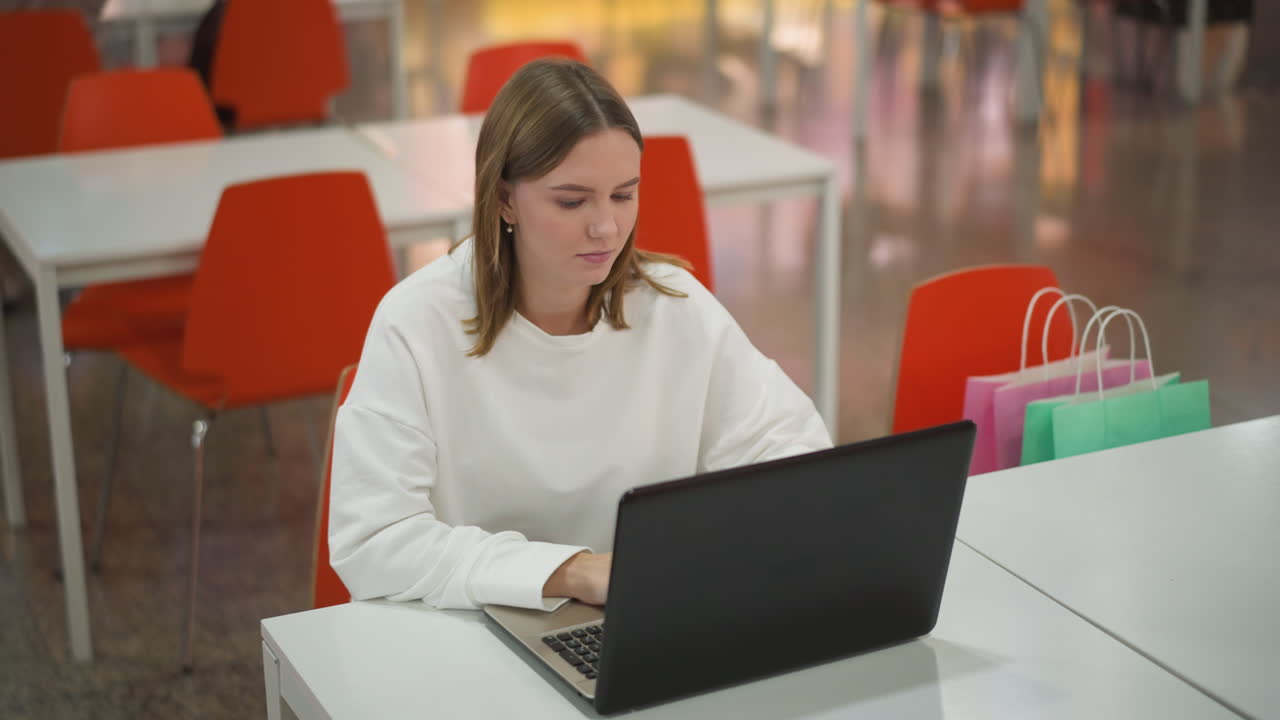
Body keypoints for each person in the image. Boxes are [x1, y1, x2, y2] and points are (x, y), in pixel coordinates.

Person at [329, 58, 831, 612]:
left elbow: (792, 451)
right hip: (466, 635)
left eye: (624, 195)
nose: (607, 227)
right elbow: (373, 542)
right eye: (572, 201)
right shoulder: (416, 321)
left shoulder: (672, 305)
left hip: (639, 617)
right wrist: (570, 572)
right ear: (503, 200)